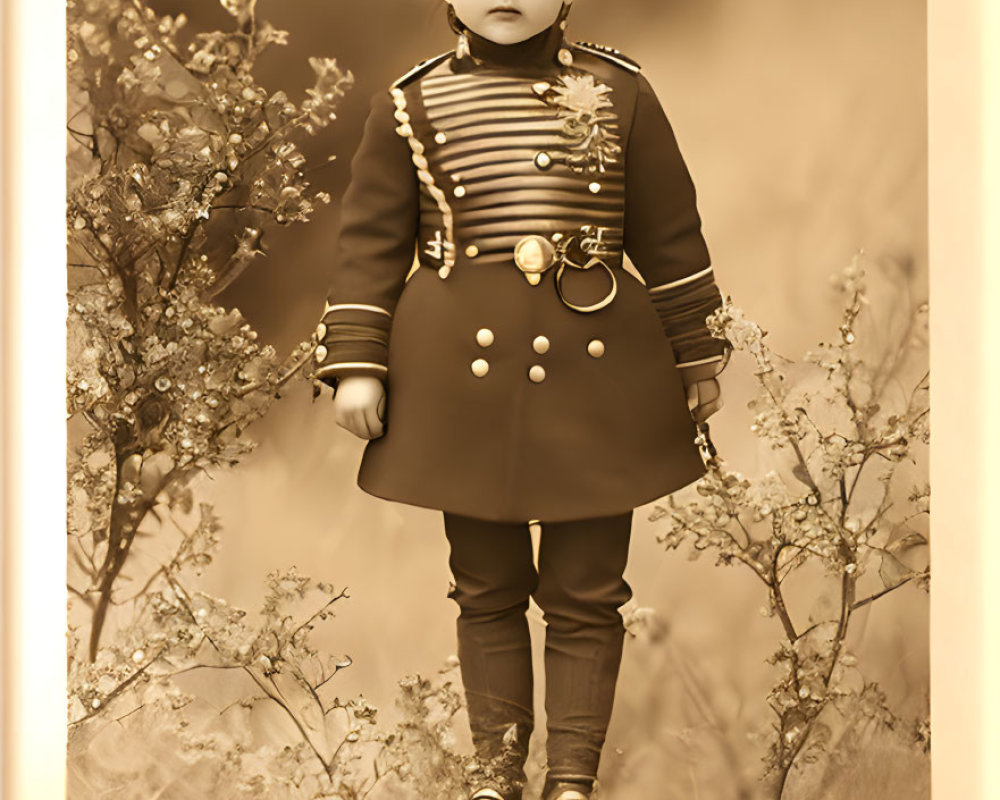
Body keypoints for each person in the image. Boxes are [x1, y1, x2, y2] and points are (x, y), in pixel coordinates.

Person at [309, 1, 731, 798]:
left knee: (588, 593)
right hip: (461, 385)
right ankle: (495, 779)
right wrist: (358, 360)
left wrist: (696, 349)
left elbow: (671, 232)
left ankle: (571, 782)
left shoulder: (622, 90)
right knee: (486, 588)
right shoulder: (410, 103)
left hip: (601, 376)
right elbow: (370, 244)